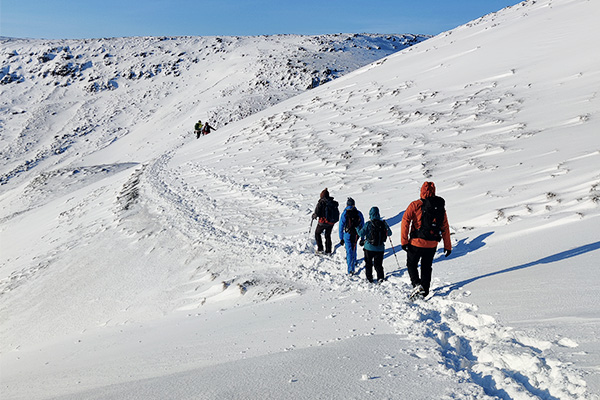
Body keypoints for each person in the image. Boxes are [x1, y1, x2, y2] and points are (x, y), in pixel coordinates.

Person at [401, 182, 452, 299]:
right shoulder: (439, 207)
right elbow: (445, 227)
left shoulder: (415, 205)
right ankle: (425, 291)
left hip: (416, 242)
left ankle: (417, 284)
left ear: (422, 191)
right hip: (432, 244)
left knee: (411, 264)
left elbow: (405, 221)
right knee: (426, 266)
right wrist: (447, 246)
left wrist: (404, 241)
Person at [357, 206, 392, 283]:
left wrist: (357, 228)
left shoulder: (368, 224)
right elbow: (390, 233)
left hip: (369, 247)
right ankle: (380, 278)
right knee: (378, 264)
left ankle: (369, 278)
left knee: (369, 264)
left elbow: (361, 233)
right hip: (380, 248)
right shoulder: (383, 223)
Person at [338, 198, 364, 275]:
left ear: (347, 205)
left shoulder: (345, 213)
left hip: (347, 234)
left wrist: (341, 238)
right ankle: (354, 261)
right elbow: (362, 225)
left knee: (349, 251)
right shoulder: (358, 213)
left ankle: (351, 270)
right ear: (354, 205)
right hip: (356, 234)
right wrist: (362, 238)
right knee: (354, 247)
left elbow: (341, 226)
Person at [312, 188, 339, 254]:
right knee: (328, 235)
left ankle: (320, 249)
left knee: (317, 233)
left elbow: (317, 213)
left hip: (323, 222)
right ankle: (328, 251)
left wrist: (314, 216)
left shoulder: (321, 202)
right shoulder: (333, 203)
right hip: (331, 222)